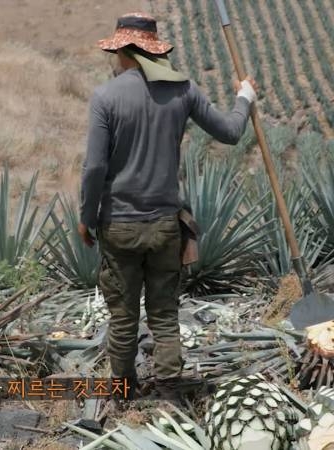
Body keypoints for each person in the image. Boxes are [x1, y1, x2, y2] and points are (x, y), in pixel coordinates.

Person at [77, 13, 257, 398]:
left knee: (123, 318)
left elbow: (94, 167)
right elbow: (231, 131)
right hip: (164, 225)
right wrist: (245, 97)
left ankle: (124, 393)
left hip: (119, 226)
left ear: (125, 51)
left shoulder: (105, 97)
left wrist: (86, 217)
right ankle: (170, 395)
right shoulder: (184, 91)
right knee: (164, 314)